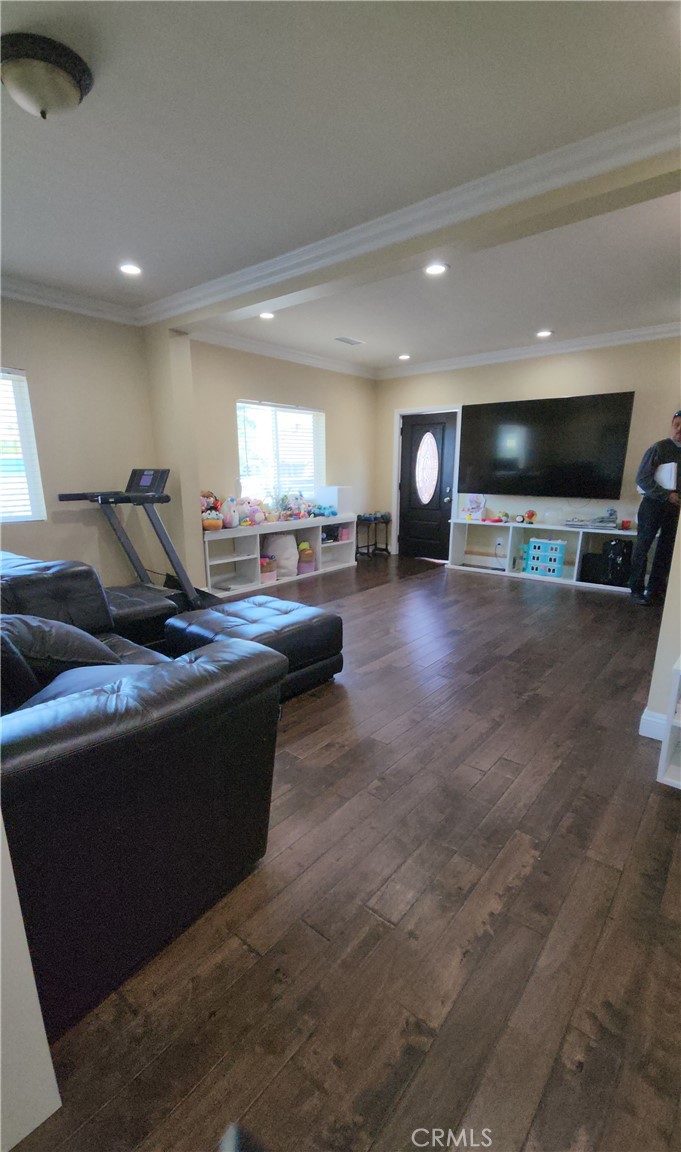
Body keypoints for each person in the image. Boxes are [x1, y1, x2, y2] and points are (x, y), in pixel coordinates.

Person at [629, 410, 681, 605]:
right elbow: (642, 478)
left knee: (666, 549)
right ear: (672, 425)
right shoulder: (659, 448)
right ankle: (636, 590)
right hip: (652, 505)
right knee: (643, 546)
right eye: (677, 425)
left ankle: (655, 590)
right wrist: (667, 495)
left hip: (674, 508)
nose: (679, 429)